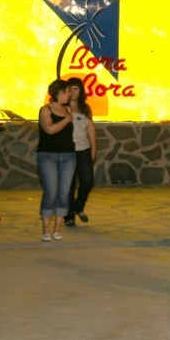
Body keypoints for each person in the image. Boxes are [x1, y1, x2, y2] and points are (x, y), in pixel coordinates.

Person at [36, 79, 76, 242]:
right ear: (59, 92)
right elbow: (50, 129)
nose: (70, 94)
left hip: (68, 155)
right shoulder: (45, 110)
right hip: (47, 155)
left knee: (64, 192)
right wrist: (67, 120)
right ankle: (46, 228)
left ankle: (58, 228)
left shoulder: (68, 109)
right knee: (51, 191)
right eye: (67, 91)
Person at [64, 77, 97, 227]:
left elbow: (91, 129)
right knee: (69, 185)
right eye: (70, 88)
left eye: (76, 88)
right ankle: (69, 217)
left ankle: (78, 206)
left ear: (81, 91)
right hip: (68, 150)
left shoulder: (85, 108)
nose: (73, 92)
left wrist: (94, 149)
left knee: (88, 181)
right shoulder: (62, 107)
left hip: (84, 149)